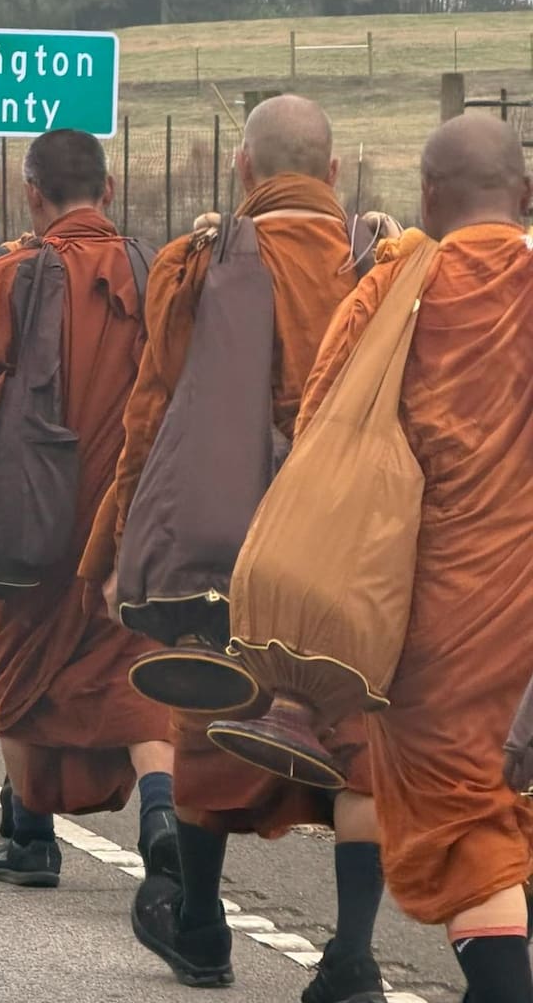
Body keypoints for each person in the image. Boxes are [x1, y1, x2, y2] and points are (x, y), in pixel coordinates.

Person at [85, 96, 385, 1001]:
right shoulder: (386, 267)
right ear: (332, 175)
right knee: (359, 736)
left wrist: (114, 550)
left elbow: (150, 420)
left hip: (231, 540)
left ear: (245, 173)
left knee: (206, 723)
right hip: (353, 543)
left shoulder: (200, 263)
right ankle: (353, 958)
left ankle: (205, 931)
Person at [0, 129, 176, 887]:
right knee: (135, 672)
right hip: (128, 524)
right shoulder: (154, 274)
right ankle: (160, 815)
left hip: (32, 524)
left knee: (20, 674)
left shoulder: (9, 279)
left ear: (31, 196)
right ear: (111, 190)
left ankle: (31, 838)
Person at [308, 114, 533, 1003]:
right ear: (524, 196)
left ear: (428, 200)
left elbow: (324, 425)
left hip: (441, 612)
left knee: (464, 820)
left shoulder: (396, 292)